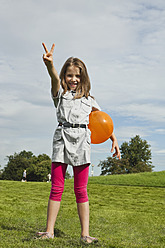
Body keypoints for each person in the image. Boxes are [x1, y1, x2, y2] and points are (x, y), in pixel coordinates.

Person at [36, 43, 121, 244]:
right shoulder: (59, 95)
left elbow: (101, 121)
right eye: (69, 75)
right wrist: (50, 65)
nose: (73, 79)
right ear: (65, 77)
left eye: (77, 75)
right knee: (57, 186)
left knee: (81, 189)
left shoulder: (90, 100)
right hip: (62, 137)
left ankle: (85, 234)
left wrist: (113, 138)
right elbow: (53, 78)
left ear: (83, 77)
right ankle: (49, 231)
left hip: (83, 140)